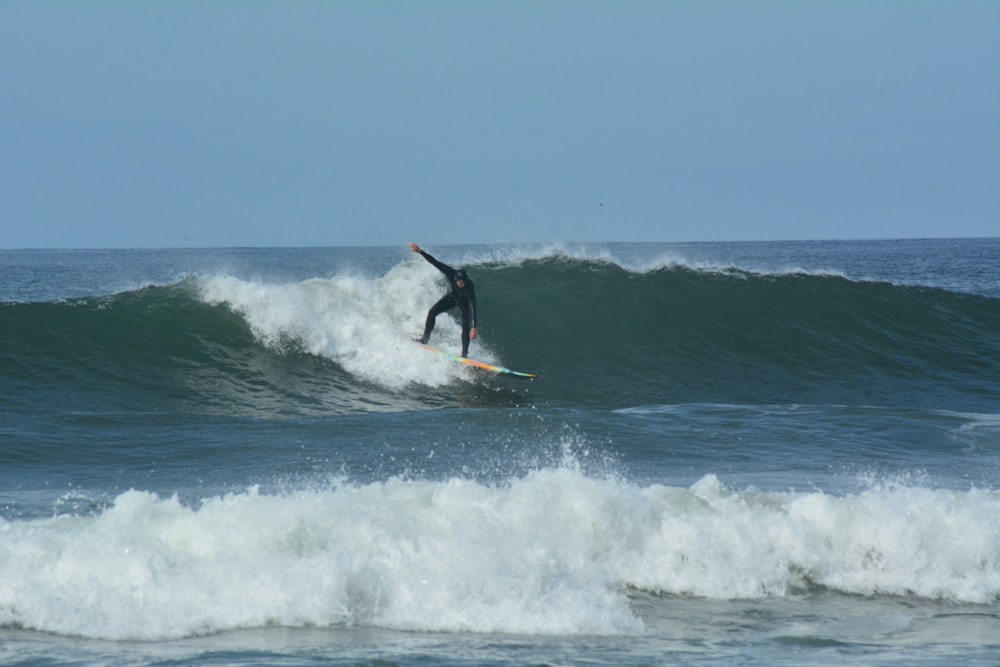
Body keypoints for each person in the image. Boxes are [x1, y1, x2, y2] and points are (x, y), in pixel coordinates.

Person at [409, 242, 478, 357]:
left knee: (466, 327)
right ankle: (424, 339)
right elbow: (435, 262)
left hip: (465, 304)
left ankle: (464, 354)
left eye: (463, 282)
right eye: (460, 282)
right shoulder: (451, 273)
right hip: (453, 297)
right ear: (456, 279)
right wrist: (421, 252)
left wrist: (474, 327)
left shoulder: (469, 288)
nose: (461, 284)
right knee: (432, 312)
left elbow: (472, 307)